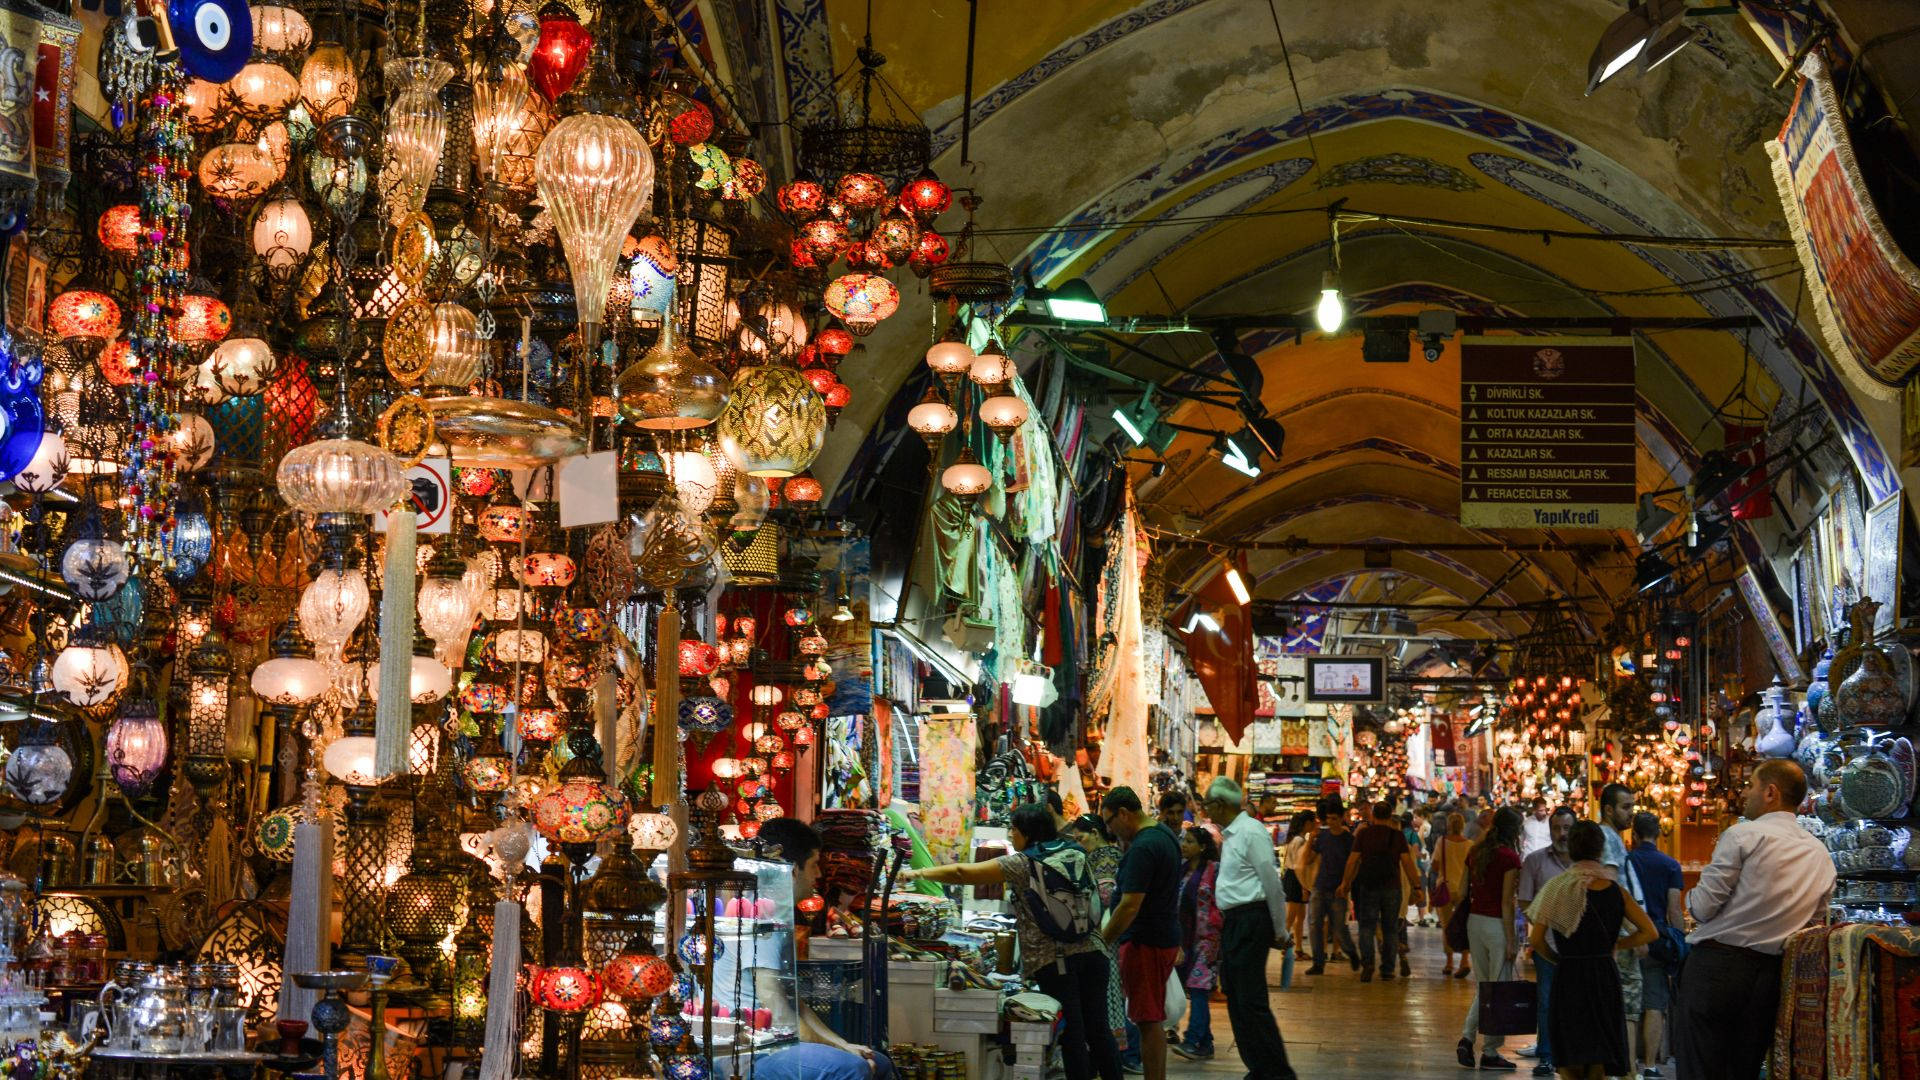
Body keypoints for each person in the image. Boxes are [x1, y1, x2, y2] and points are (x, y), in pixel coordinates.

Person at [898, 804, 1121, 1080]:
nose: (1011, 835)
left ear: (1027, 832)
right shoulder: (1075, 852)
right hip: (1094, 951)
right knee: (1099, 1029)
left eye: (1014, 830)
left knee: (1072, 1032)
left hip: (1056, 959)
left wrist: (917, 874)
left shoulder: (1022, 863)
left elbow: (962, 873)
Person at [1672, 760, 1833, 1080]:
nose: (1745, 794)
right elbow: (1816, 923)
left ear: (1770, 792)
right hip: (1771, 975)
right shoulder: (1820, 854)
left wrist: (1689, 899)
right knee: (1743, 1068)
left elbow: (1703, 907)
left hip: (1717, 968)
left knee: (1700, 1065)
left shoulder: (1744, 835)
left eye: (1751, 787)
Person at [752, 818, 896, 1080]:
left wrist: (845, 1045)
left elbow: (796, 1004)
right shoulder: (764, 921)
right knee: (854, 1068)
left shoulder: (779, 917)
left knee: (879, 1061)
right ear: (793, 870)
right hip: (756, 1051)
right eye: (815, 865)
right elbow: (785, 1020)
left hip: (776, 1044)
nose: (819, 875)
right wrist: (845, 1053)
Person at [1524, 821, 1660, 1080]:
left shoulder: (1557, 888)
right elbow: (1649, 932)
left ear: (1572, 850)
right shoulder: (1616, 892)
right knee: (1599, 1054)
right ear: (1600, 851)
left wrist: (1556, 959)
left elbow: (1537, 940)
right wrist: (1617, 944)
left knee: (1570, 1051)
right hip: (1603, 975)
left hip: (1569, 974)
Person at [1198, 776, 1298, 1080]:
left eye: (1207, 804)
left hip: (1251, 921)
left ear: (1219, 804)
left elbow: (1271, 883)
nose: (1205, 809)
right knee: (1237, 996)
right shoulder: (1233, 834)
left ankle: (1277, 1073)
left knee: (1250, 1000)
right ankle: (1259, 1067)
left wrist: (1280, 931)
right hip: (1237, 922)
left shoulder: (1251, 832)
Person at [1100, 787, 1183, 1080]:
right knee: (1151, 1020)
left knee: (1148, 1022)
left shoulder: (1144, 846)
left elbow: (1129, 906)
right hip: (1158, 937)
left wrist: (1103, 941)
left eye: (1110, 822)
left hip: (1145, 942)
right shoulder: (1162, 836)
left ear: (1124, 814)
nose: (1110, 831)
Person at [1455, 807, 1523, 1072]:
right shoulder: (1509, 858)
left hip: (1475, 922)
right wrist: (1510, 939)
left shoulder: (1476, 852)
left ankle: (1467, 1039)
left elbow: (1461, 891)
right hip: (1496, 925)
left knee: (1485, 987)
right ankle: (1490, 1050)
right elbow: (1507, 903)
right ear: (1513, 831)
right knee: (1499, 988)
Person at [1516, 807, 1577, 1077]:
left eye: (1567, 828)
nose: (1562, 834)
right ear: (1549, 830)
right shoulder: (1535, 862)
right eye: (1557, 828)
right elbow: (1525, 902)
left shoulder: (1585, 863)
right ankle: (1547, 1055)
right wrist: (1545, 921)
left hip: (1579, 947)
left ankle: (1574, 1053)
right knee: (1546, 1000)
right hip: (1546, 944)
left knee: (1576, 1000)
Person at [1336, 800, 1423, 982]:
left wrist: (1345, 883)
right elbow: (1407, 864)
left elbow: (1352, 861)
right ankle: (1388, 969)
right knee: (1390, 929)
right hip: (1392, 887)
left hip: (1368, 886)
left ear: (1374, 816)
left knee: (1367, 927)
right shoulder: (1397, 836)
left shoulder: (1364, 835)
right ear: (1390, 816)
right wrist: (1417, 887)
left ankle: (1368, 964)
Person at [1625, 812, 1682, 1080]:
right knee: (1655, 1004)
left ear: (1634, 835)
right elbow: (1675, 909)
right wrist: (1679, 942)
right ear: (1658, 833)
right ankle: (1649, 1065)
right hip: (1657, 939)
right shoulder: (1670, 865)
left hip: (1629, 936)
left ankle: (1628, 1066)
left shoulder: (1627, 862)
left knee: (1629, 1006)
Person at [1596, 784, 1647, 1076]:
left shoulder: (1612, 838)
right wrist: (1634, 930)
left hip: (1621, 934)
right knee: (1628, 1009)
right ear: (1608, 810)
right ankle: (1625, 1071)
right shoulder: (1608, 839)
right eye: (1626, 807)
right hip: (1622, 936)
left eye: (1632, 806)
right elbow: (1613, 890)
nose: (1631, 813)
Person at [1170, 826, 1220, 1062]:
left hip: (1208, 940)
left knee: (1199, 990)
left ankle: (1193, 1040)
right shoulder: (1180, 871)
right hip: (1185, 940)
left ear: (1202, 846)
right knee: (1195, 989)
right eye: (1183, 840)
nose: (1184, 844)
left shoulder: (1213, 871)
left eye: (1189, 841)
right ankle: (1205, 1042)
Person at [1300, 799, 1357, 975]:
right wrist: (1311, 839)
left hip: (1338, 889)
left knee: (1339, 926)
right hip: (1320, 886)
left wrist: (1347, 884)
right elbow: (1307, 860)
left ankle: (1352, 953)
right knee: (1314, 924)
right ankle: (1318, 963)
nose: (1330, 822)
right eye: (1328, 818)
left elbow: (1355, 863)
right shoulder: (1323, 837)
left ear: (1341, 818)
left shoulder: (1348, 839)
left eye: (1334, 818)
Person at [1434, 811, 1474, 977]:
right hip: (1464, 889)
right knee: (1465, 925)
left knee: (1446, 926)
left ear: (1448, 825)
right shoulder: (1470, 844)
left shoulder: (1442, 842)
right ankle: (1465, 960)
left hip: (1446, 888)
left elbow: (1435, 865)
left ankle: (1449, 962)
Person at [1281, 811, 1315, 961]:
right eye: (1312, 822)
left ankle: (1298, 949)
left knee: (1299, 916)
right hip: (1295, 879)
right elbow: (1297, 866)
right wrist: (1303, 887)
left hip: (1293, 877)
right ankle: (1285, 946)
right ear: (1306, 823)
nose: (1314, 825)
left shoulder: (1296, 839)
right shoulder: (1299, 841)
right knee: (1292, 916)